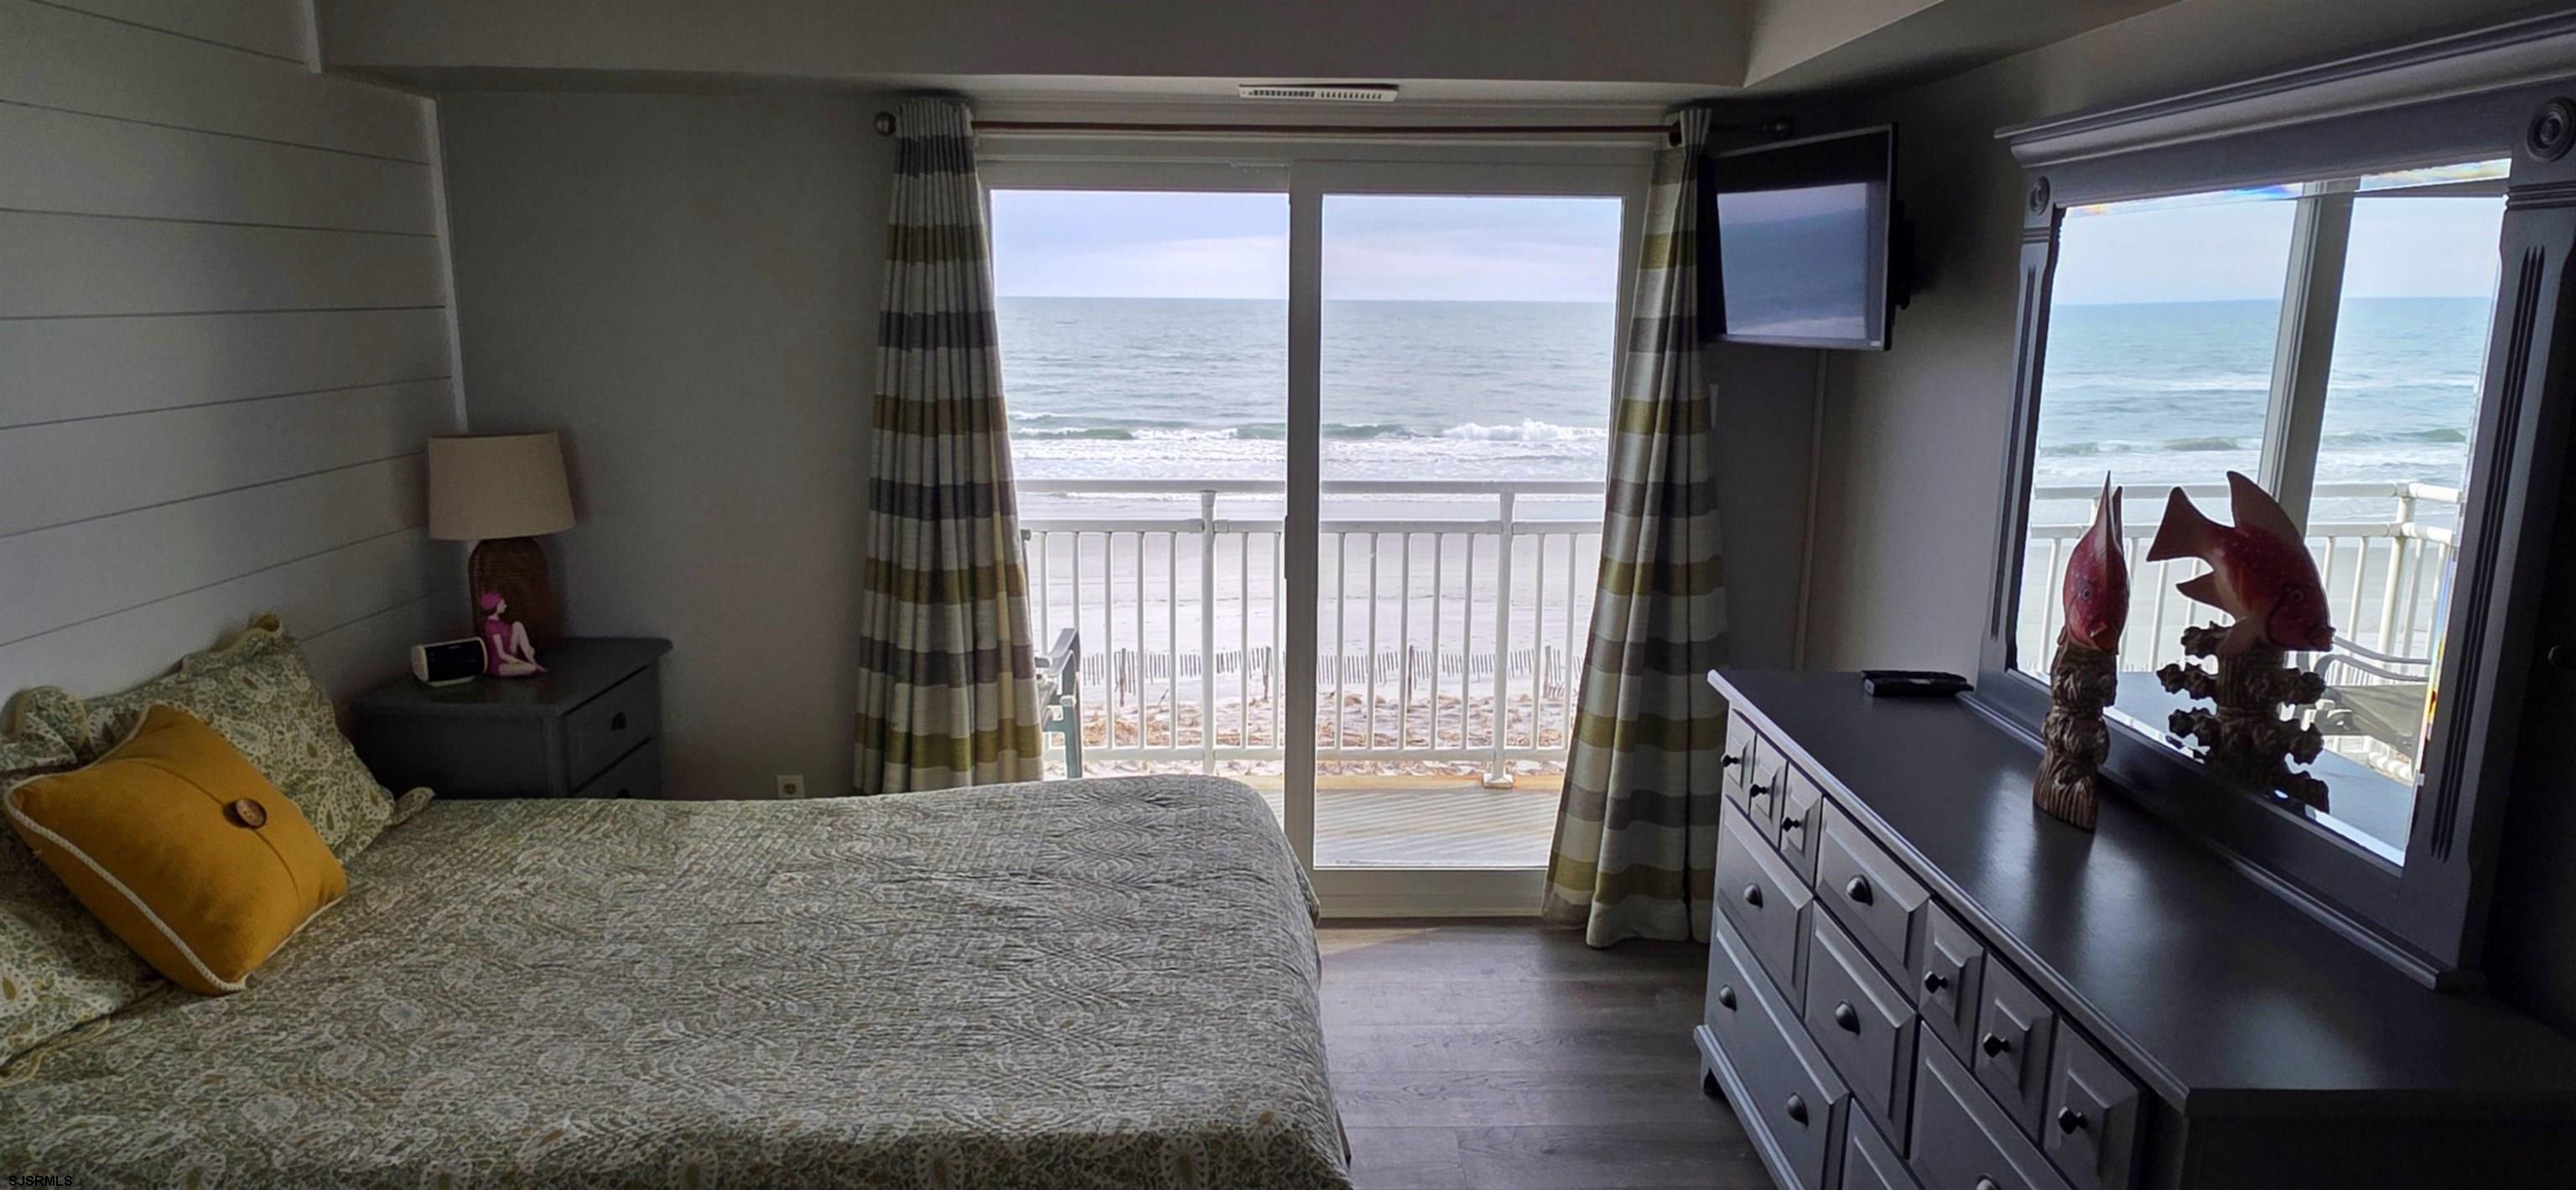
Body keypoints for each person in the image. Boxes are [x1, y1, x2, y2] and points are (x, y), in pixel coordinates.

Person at [478, 590, 545, 677]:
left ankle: (532, 660)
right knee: (530, 668)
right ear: (496, 606)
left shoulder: (499, 622)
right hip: (499, 663)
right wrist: (520, 662)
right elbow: (501, 654)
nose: (505, 606)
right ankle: (531, 664)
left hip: (510, 654)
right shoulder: (492, 626)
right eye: (503, 604)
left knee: (517, 625)